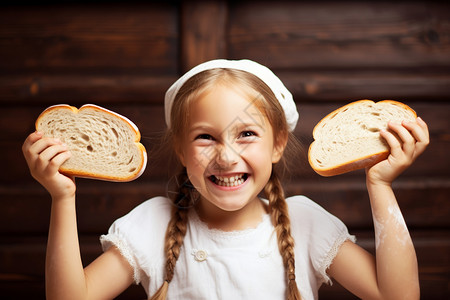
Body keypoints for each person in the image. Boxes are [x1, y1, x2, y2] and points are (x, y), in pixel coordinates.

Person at [22, 59, 429, 300]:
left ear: (277, 144)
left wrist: (380, 185)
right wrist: (62, 198)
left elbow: (398, 296)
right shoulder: (153, 223)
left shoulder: (305, 222)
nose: (226, 156)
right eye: (205, 137)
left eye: (247, 134)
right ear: (181, 150)